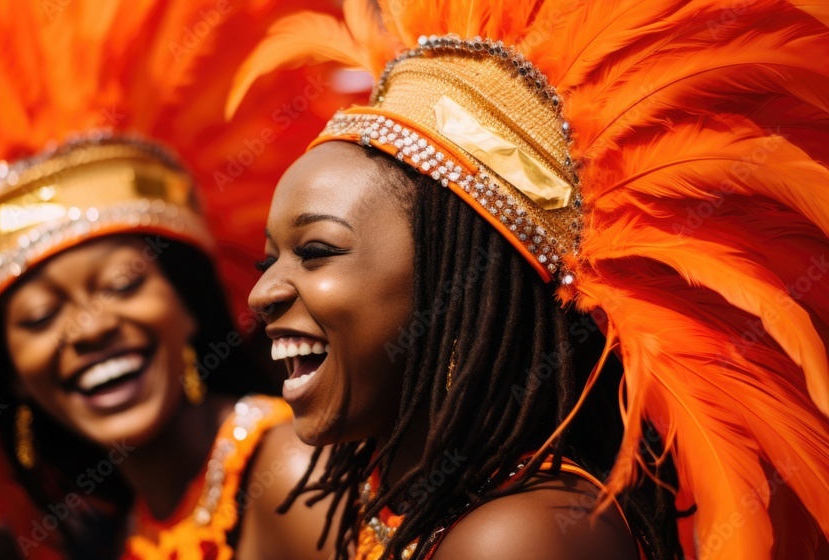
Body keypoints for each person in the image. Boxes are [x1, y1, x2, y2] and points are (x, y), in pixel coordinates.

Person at [228, 0, 829, 559]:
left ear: (452, 285)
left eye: (315, 250)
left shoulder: (520, 536)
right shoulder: (393, 498)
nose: (264, 293)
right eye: (268, 260)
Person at [0, 1, 356, 558]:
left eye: (124, 285)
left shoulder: (287, 473)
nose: (89, 327)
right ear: (11, 374)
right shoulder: (135, 524)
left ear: (187, 304)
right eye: (39, 317)